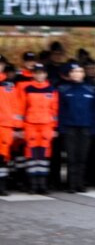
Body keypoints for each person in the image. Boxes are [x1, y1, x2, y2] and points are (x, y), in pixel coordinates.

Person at [19, 63, 59, 194]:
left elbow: (55, 111)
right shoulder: (27, 89)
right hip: (30, 125)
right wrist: (21, 128)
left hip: (46, 125)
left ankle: (43, 184)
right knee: (31, 155)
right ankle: (33, 185)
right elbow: (21, 109)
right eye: (37, 73)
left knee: (44, 155)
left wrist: (54, 128)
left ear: (45, 74)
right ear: (33, 74)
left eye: (42, 72)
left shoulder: (52, 90)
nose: (39, 75)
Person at [58, 63, 95, 193]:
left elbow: (94, 111)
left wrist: (93, 128)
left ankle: (81, 183)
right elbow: (61, 111)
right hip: (70, 128)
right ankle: (71, 184)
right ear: (70, 74)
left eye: (79, 71)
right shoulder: (64, 90)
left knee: (82, 157)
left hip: (85, 127)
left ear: (83, 74)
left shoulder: (90, 90)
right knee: (71, 157)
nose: (76, 74)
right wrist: (61, 129)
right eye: (74, 71)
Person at [0, 54, 22, 195]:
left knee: (3, 158)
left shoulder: (8, 85)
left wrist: (17, 127)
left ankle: (1, 186)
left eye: (1, 64)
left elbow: (15, 107)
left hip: (5, 127)